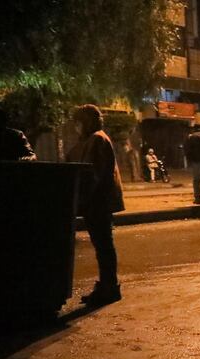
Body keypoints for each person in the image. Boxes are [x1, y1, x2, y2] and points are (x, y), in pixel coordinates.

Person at [67, 104, 125, 307]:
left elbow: (94, 175)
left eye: (79, 122)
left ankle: (109, 287)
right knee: (102, 245)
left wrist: (82, 200)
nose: (76, 127)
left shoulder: (97, 139)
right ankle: (107, 285)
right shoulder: (90, 139)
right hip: (96, 202)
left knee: (103, 246)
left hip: (99, 202)